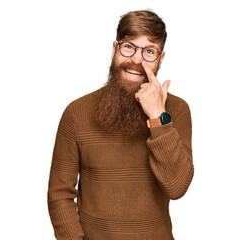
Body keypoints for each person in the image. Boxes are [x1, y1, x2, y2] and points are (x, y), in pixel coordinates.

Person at [47, 9, 194, 240]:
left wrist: (158, 117)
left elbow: (176, 188)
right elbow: (59, 195)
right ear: (115, 49)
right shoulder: (76, 113)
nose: (136, 59)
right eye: (129, 47)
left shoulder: (177, 110)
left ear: (161, 58)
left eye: (148, 51)